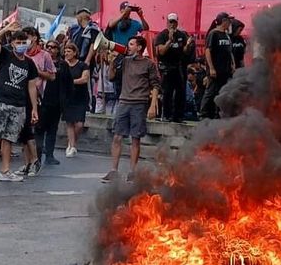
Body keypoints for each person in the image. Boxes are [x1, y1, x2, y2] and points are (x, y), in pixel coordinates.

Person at [0, 24, 39, 184]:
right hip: (1, 100)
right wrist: (6, 30)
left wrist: (34, 108)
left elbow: (32, 85)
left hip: (18, 104)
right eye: (18, 42)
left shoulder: (29, 63)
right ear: (12, 43)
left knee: (9, 138)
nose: (21, 45)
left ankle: (5, 171)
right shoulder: (5, 54)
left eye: (24, 42)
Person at [103, 36, 159, 183]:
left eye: (132, 44)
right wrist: (111, 62)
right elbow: (111, 77)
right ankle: (113, 170)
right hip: (123, 102)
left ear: (139, 47)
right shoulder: (125, 61)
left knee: (135, 138)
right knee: (117, 136)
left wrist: (153, 105)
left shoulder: (149, 64)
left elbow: (155, 85)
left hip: (139, 103)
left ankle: (133, 172)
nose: (128, 47)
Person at [21, 27, 57, 176]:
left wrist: (36, 72)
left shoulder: (44, 56)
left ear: (35, 38)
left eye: (27, 37)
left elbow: (52, 76)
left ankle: (35, 160)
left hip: (36, 96)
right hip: (20, 94)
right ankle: (26, 163)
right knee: (23, 131)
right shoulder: (21, 54)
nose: (25, 42)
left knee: (31, 131)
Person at [154, 12, 192, 123]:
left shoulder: (181, 35)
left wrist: (188, 45)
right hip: (166, 67)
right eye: (170, 22)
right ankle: (166, 115)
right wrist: (169, 41)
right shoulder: (162, 35)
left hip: (178, 67)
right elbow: (161, 51)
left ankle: (178, 116)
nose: (172, 24)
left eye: (174, 22)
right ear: (167, 22)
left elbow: (184, 51)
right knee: (167, 92)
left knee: (180, 91)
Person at [200, 13, 236, 119]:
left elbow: (229, 51)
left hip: (225, 70)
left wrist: (233, 64)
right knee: (211, 91)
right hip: (215, 69)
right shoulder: (213, 34)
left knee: (222, 92)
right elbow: (208, 51)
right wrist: (211, 68)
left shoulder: (226, 35)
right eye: (228, 20)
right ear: (223, 21)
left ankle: (217, 113)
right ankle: (204, 113)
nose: (230, 23)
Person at [36, 39, 65, 167]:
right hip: (41, 100)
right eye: (47, 46)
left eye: (53, 47)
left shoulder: (62, 65)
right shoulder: (40, 62)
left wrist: (64, 101)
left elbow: (67, 84)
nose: (50, 49)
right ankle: (36, 155)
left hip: (55, 102)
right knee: (39, 129)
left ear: (58, 50)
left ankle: (49, 155)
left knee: (52, 130)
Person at [60, 42, 90, 159]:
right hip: (67, 97)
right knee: (69, 122)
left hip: (80, 97)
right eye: (65, 51)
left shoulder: (83, 65)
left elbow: (84, 79)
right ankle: (71, 146)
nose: (67, 53)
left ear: (75, 52)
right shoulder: (63, 65)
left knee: (79, 124)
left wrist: (71, 82)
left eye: (69, 51)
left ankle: (73, 142)